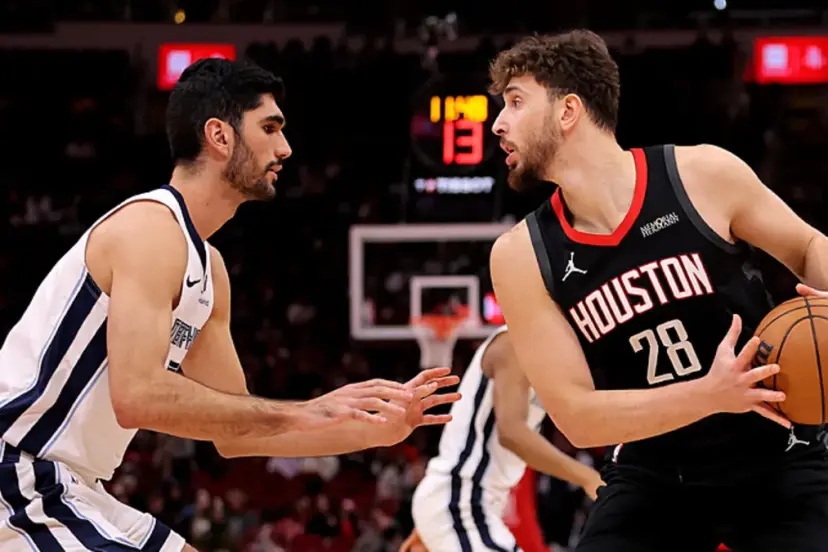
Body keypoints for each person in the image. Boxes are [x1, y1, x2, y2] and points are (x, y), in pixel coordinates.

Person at [0, 58, 461, 551]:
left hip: (70, 484)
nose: (285, 148)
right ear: (219, 136)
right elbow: (137, 396)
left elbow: (238, 435)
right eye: (270, 128)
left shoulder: (208, 269)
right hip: (18, 469)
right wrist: (307, 410)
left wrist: (372, 432)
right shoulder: (149, 229)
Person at [487, 30, 828, 551]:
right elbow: (577, 417)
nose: (498, 123)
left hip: (778, 453)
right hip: (655, 477)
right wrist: (709, 395)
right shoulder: (520, 256)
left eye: (515, 102)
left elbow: (808, 246)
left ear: (568, 110)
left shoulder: (701, 175)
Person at [400, 327, 602, 552]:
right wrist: (588, 478)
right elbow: (511, 433)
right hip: (461, 498)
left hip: (470, 503)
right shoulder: (513, 343)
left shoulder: (549, 355)